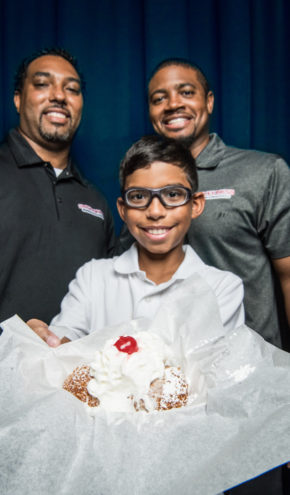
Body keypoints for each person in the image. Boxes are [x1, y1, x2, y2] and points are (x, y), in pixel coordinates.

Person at [144, 58, 290, 495]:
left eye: (186, 92)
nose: (173, 104)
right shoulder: (143, 180)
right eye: (159, 97)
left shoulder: (262, 172)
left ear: (208, 101)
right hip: (171, 399)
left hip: (250, 393)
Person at [0, 48, 115, 399]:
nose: (59, 96)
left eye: (72, 89)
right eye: (43, 84)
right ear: (18, 99)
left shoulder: (97, 204)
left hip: (69, 413)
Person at [27, 135, 244, 346]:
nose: (155, 211)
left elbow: (211, 372)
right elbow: (66, 339)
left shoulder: (222, 288)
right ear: (123, 209)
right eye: (139, 197)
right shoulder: (93, 277)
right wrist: (47, 340)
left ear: (195, 205)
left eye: (173, 195)